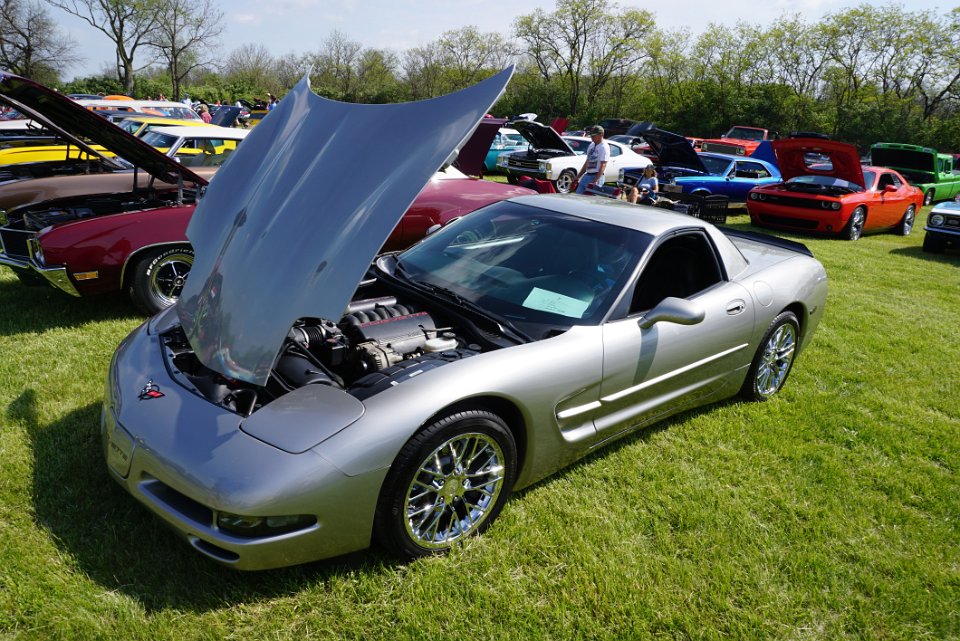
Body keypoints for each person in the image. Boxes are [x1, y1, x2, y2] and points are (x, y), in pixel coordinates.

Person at [571, 125, 610, 194]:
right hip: (587, 175)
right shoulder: (591, 145)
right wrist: (578, 176)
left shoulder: (604, 147)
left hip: (596, 176)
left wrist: (595, 181)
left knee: (591, 199)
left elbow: (603, 165)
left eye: (594, 135)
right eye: (591, 135)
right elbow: (587, 162)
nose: (592, 137)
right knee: (577, 195)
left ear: (601, 135)